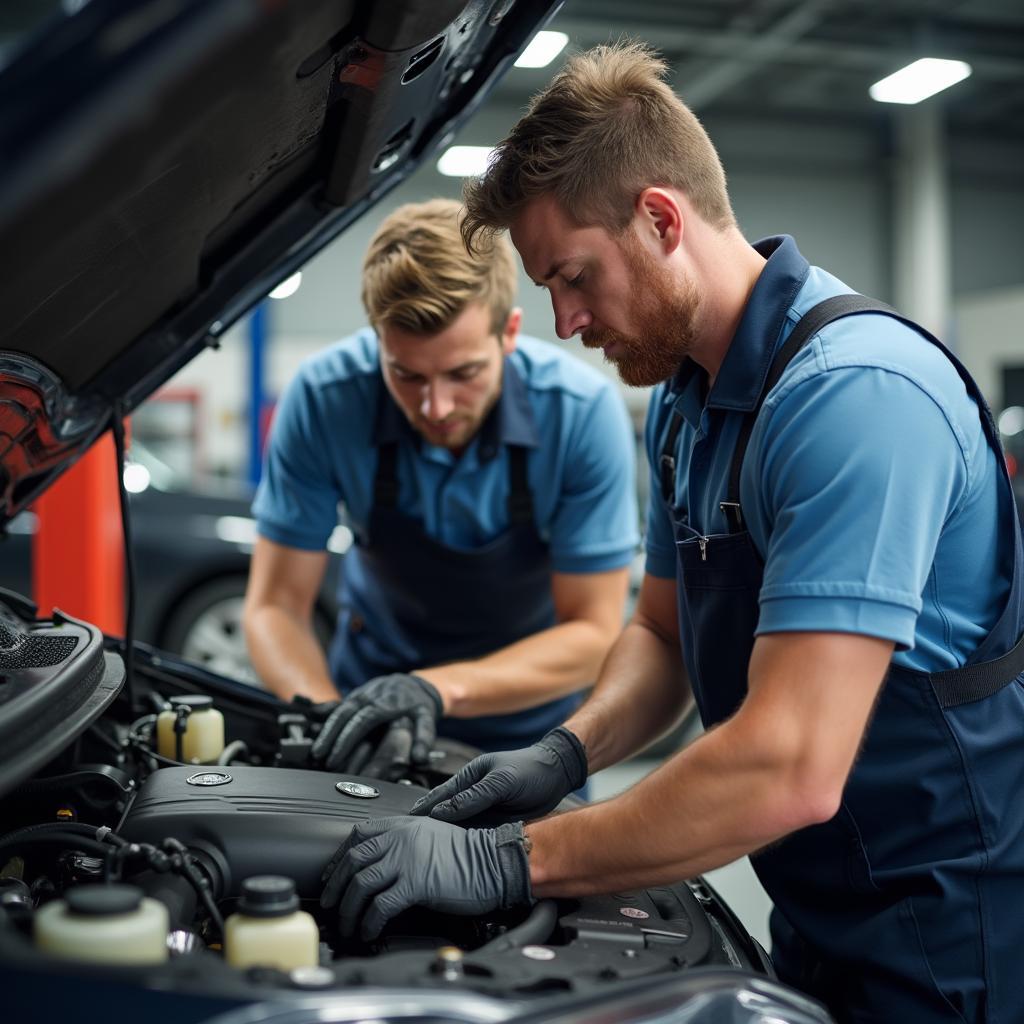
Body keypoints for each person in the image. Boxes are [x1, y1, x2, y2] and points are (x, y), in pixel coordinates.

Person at [318, 44, 1024, 1024]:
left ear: (659, 219)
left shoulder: (853, 398)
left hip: (950, 926)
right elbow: (660, 638)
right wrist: (564, 752)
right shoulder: (689, 404)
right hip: (817, 909)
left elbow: (787, 760)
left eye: (572, 276)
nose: (562, 321)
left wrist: (514, 858)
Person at [244, 198, 639, 779]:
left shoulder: (580, 414)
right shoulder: (325, 399)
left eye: (463, 373)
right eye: (406, 374)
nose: (435, 407)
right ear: (379, 339)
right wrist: (330, 719)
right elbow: (275, 607)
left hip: (527, 737)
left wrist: (433, 690)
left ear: (508, 333)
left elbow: (595, 633)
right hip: (369, 719)